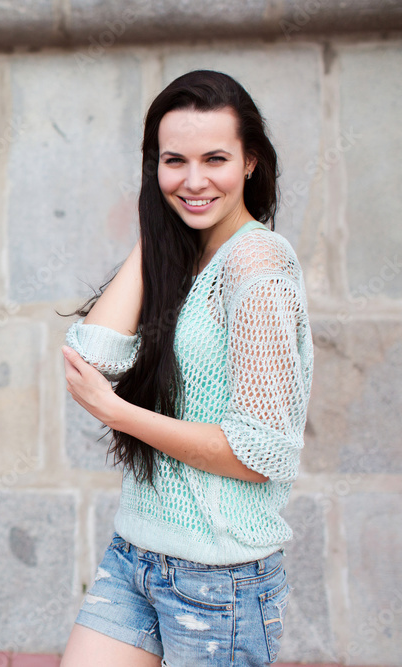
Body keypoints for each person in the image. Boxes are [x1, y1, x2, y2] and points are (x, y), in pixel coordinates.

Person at [58, 70, 314, 667]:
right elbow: (90, 360)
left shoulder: (258, 269)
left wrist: (121, 415)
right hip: (136, 554)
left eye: (215, 159)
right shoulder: (185, 254)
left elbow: (260, 454)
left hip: (219, 580)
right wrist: (160, 226)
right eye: (174, 161)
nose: (194, 181)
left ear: (250, 162)